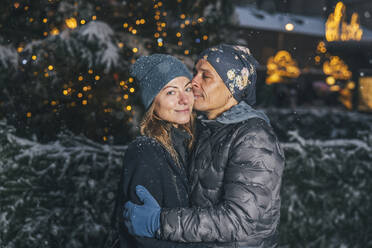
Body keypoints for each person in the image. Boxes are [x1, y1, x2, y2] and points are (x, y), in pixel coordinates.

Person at [124, 44, 285, 248]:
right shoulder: (207, 130)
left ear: (231, 87)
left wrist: (160, 222)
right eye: (196, 73)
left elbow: (238, 220)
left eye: (205, 76)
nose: (194, 81)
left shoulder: (253, 137)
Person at [115, 54, 203, 248]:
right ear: (153, 102)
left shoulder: (192, 144)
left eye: (187, 89)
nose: (184, 99)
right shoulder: (146, 150)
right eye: (171, 92)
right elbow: (141, 236)